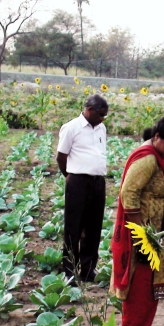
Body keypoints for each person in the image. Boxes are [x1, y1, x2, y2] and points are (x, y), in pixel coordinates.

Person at [111, 114, 164, 326]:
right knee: (140, 290)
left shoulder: (157, 157)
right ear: (156, 137)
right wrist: (141, 233)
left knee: (148, 290)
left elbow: (151, 187)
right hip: (144, 238)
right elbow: (129, 193)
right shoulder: (147, 159)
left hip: (154, 236)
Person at [56, 95, 109, 283]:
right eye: (101, 114)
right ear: (89, 110)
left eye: (105, 115)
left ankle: (88, 269)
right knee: (73, 227)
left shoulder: (101, 128)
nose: (103, 118)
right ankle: (69, 270)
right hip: (78, 181)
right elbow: (61, 157)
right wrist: (70, 177)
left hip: (98, 182)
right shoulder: (71, 128)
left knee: (94, 228)